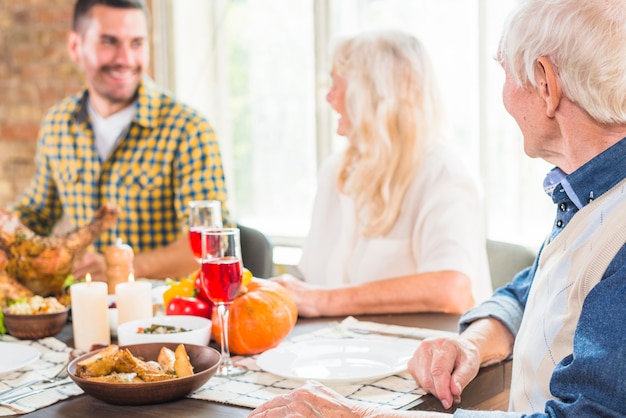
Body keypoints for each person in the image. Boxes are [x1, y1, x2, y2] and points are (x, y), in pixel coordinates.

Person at [249, 0, 626, 416]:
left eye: (505, 75)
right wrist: (474, 341)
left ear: (546, 85)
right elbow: (529, 291)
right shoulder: (586, 196)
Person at [273, 30, 492, 317]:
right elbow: (311, 279)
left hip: (418, 356)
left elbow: (452, 290)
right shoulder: (334, 171)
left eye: (337, 85)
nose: (329, 97)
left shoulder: (443, 174)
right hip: (340, 353)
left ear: (371, 96)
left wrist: (321, 300)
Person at [10, 0, 229, 283]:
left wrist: (123, 266)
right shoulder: (57, 124)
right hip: (82, 310)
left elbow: (211, 244)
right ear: (75, 46)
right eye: (109, 42)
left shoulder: (188, 129)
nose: (125, 58)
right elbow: (36, 213)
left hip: (164, 314)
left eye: (136, 43)